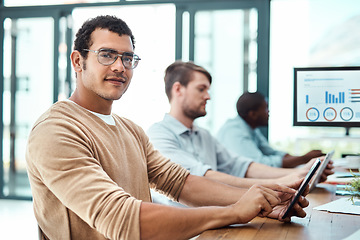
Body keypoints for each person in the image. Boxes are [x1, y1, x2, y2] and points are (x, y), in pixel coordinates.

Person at [25, 15, 309, 240]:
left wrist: (264, 199)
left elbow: (181, 183)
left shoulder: (131, 130)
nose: (120, 67)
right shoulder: (56, 130)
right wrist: (234, 211)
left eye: (127, 58)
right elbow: (121, 221)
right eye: (107, 55)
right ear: (78, 60)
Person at [147, 61, 333, 207]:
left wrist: (299, 172)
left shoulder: (203, 135)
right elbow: (200, 177)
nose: (208, 96)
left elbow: (241, 165)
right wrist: (281, 181)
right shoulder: (158, 135)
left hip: (220, 217)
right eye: (201, 89)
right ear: (178, 89)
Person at [217, 91, 324, 168]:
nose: (268, 112)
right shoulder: (234, 132)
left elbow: (271, 152)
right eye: (265, 108)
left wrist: (304, 158)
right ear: (253, 114)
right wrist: (304, 159)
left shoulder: (251, 129)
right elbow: (260, 165)